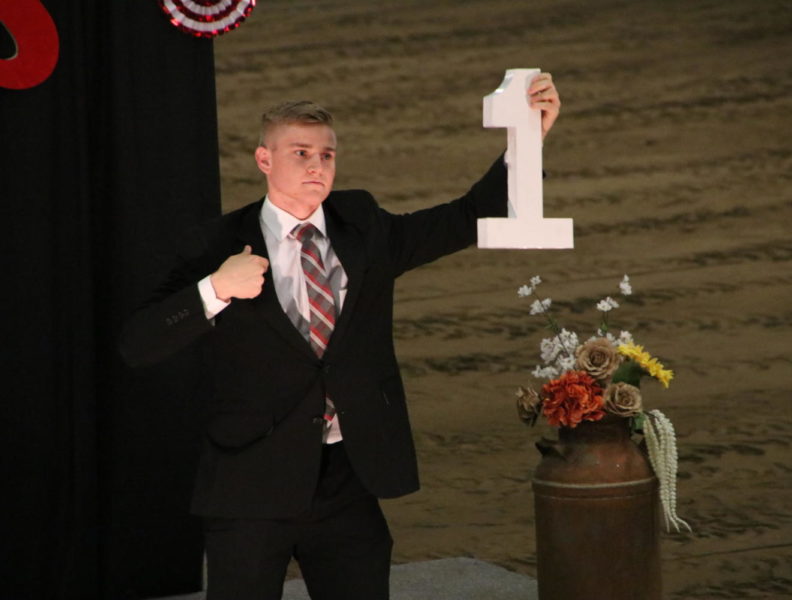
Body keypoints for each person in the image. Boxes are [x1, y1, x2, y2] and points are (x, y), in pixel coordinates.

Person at [120, 73, 560, 600]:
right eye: (300, 152)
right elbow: (138, 343)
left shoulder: (364, 226)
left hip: (347, 479)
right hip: (250, 484)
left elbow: (464, 217)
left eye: (326, 155)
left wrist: (526, 142)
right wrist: (214, 288)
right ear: (265, 160)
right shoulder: (215, 243)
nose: (316, 165)